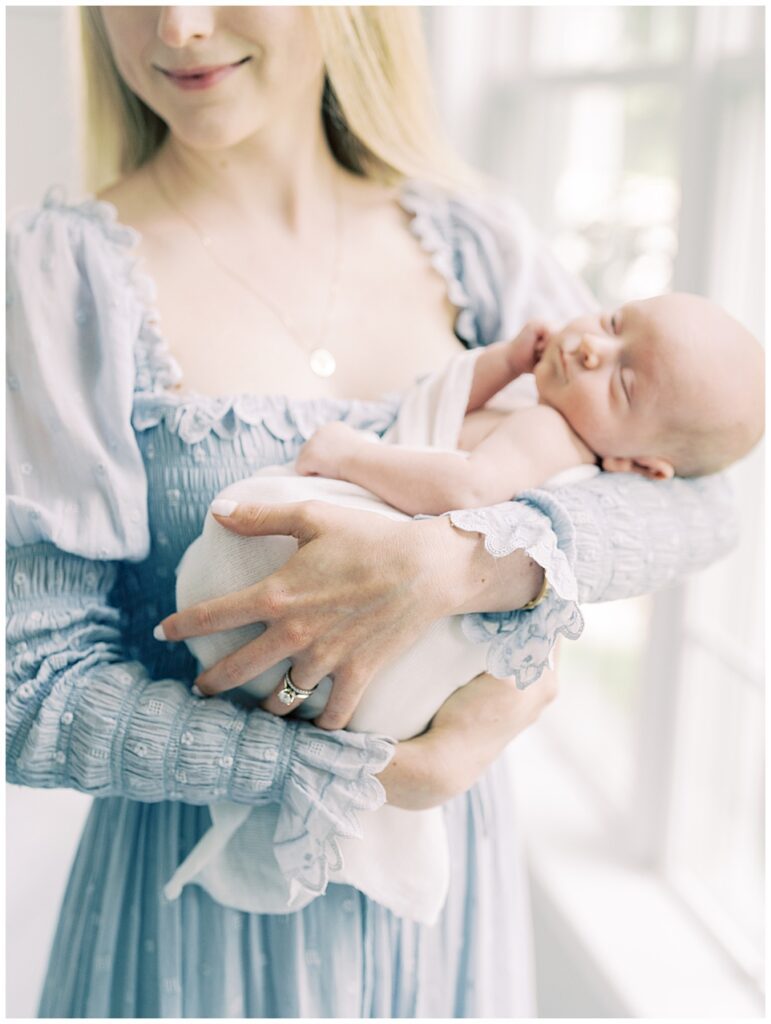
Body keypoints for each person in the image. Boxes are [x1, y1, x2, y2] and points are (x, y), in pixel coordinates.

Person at [5, 7, 737, 1018]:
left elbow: (703, 494)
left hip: (442, 920)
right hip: (194, 920)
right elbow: (34, 692)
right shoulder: (65, 275)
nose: (177, 27)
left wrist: (462, 566)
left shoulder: (475, 243)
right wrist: (367, 772)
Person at [296, 294, 765, 512]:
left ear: (639, 464)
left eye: (623, 383)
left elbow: (466, 489)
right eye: (615, 322)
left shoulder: (549, 433)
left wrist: (350, 457)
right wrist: (506, 363)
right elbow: (443, 418)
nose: (593, 348)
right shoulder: (552, 406)